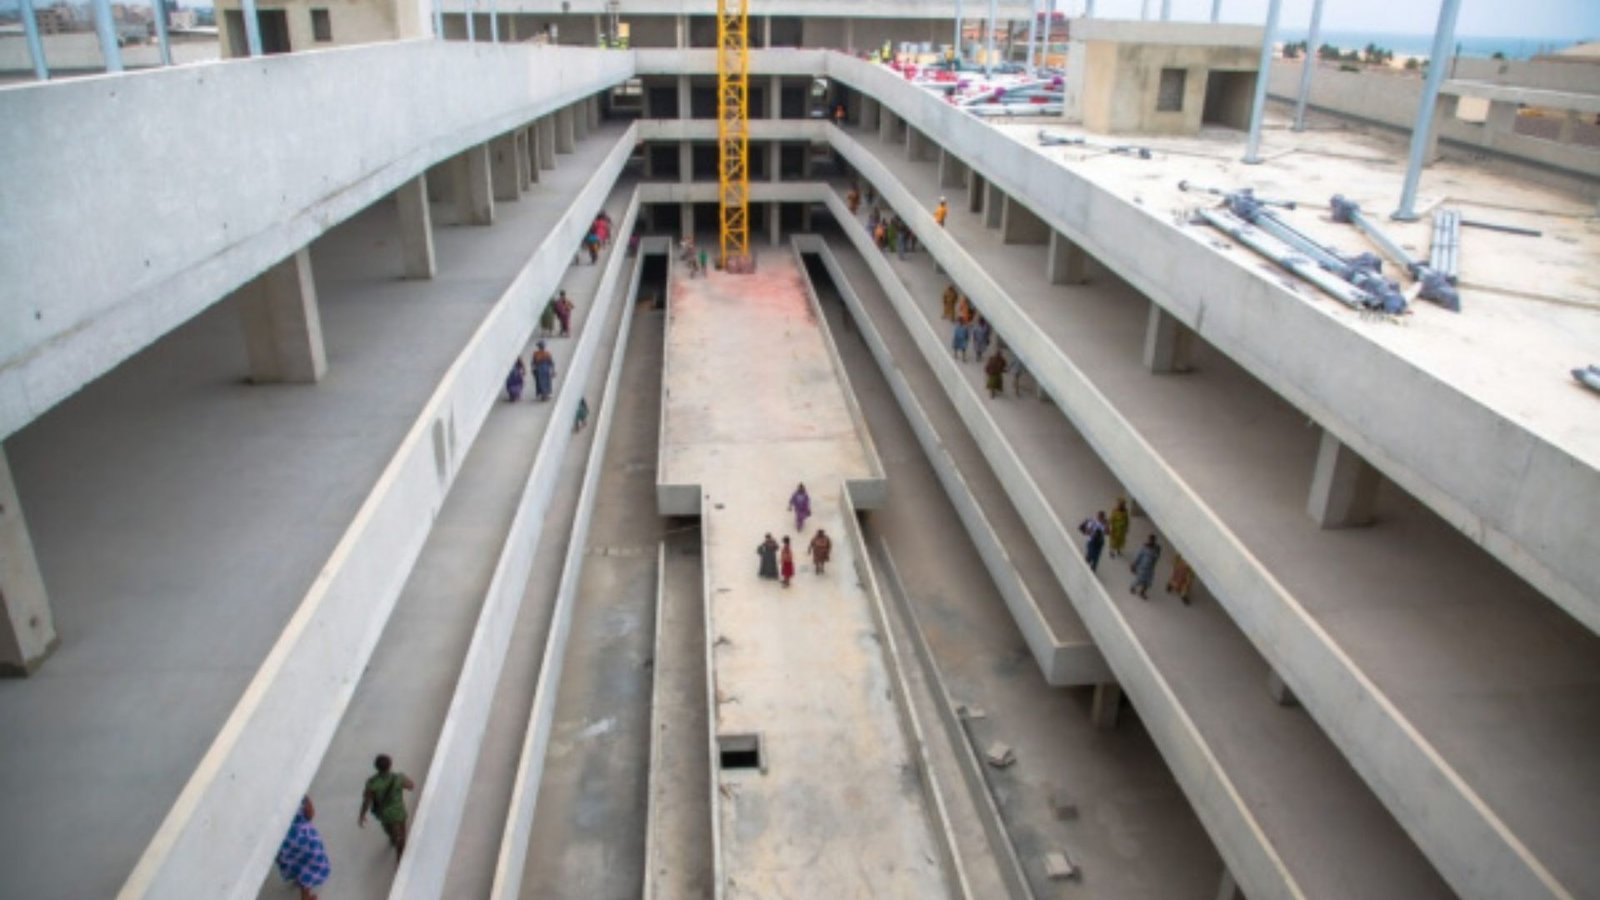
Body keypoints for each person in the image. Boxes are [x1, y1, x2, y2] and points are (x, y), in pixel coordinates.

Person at [359, 754, 416, 861]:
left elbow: (367, 801)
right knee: (402, 836)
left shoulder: (371, 783)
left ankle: (393, 838)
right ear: (390, 765)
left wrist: (362, 815)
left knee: (389, 830)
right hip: (398, 813)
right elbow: (411, 786)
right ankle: (400, 857)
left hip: (383, 814)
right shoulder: (398, 778)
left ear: (376, 767)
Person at [276, 796, 331, 900]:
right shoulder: (294, 795)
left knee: (294, 863)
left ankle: (298, 878)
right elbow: (309, 814)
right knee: (313, 866)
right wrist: (307, 800)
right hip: (304, 841)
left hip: (284, 845)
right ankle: (305, 896)